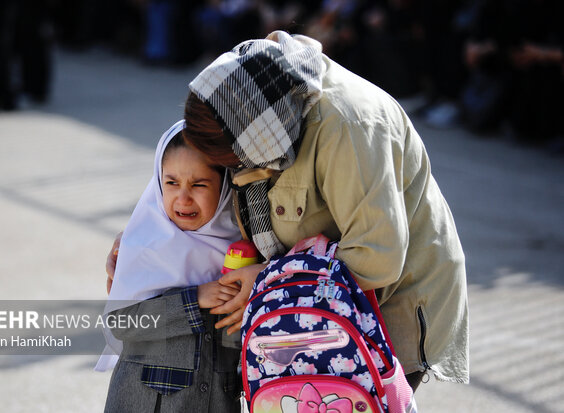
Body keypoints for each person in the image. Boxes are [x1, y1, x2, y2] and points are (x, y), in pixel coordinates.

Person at [180, 31, 469, 390]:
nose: (236, 172)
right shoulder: (253, 91)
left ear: (261, 142)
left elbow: (375, 257)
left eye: (238, 163)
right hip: (314, 304)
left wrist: (270, 280)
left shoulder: (350, 126)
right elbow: (190, 172)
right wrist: (139, 243)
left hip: (386, 309)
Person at [98, 120, 244, 412]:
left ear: (225, 185)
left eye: (199, 184)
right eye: (172, 183)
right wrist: (194, 299)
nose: (183, 197)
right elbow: (122, 322)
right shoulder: (144, 245)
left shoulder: (243, 249)